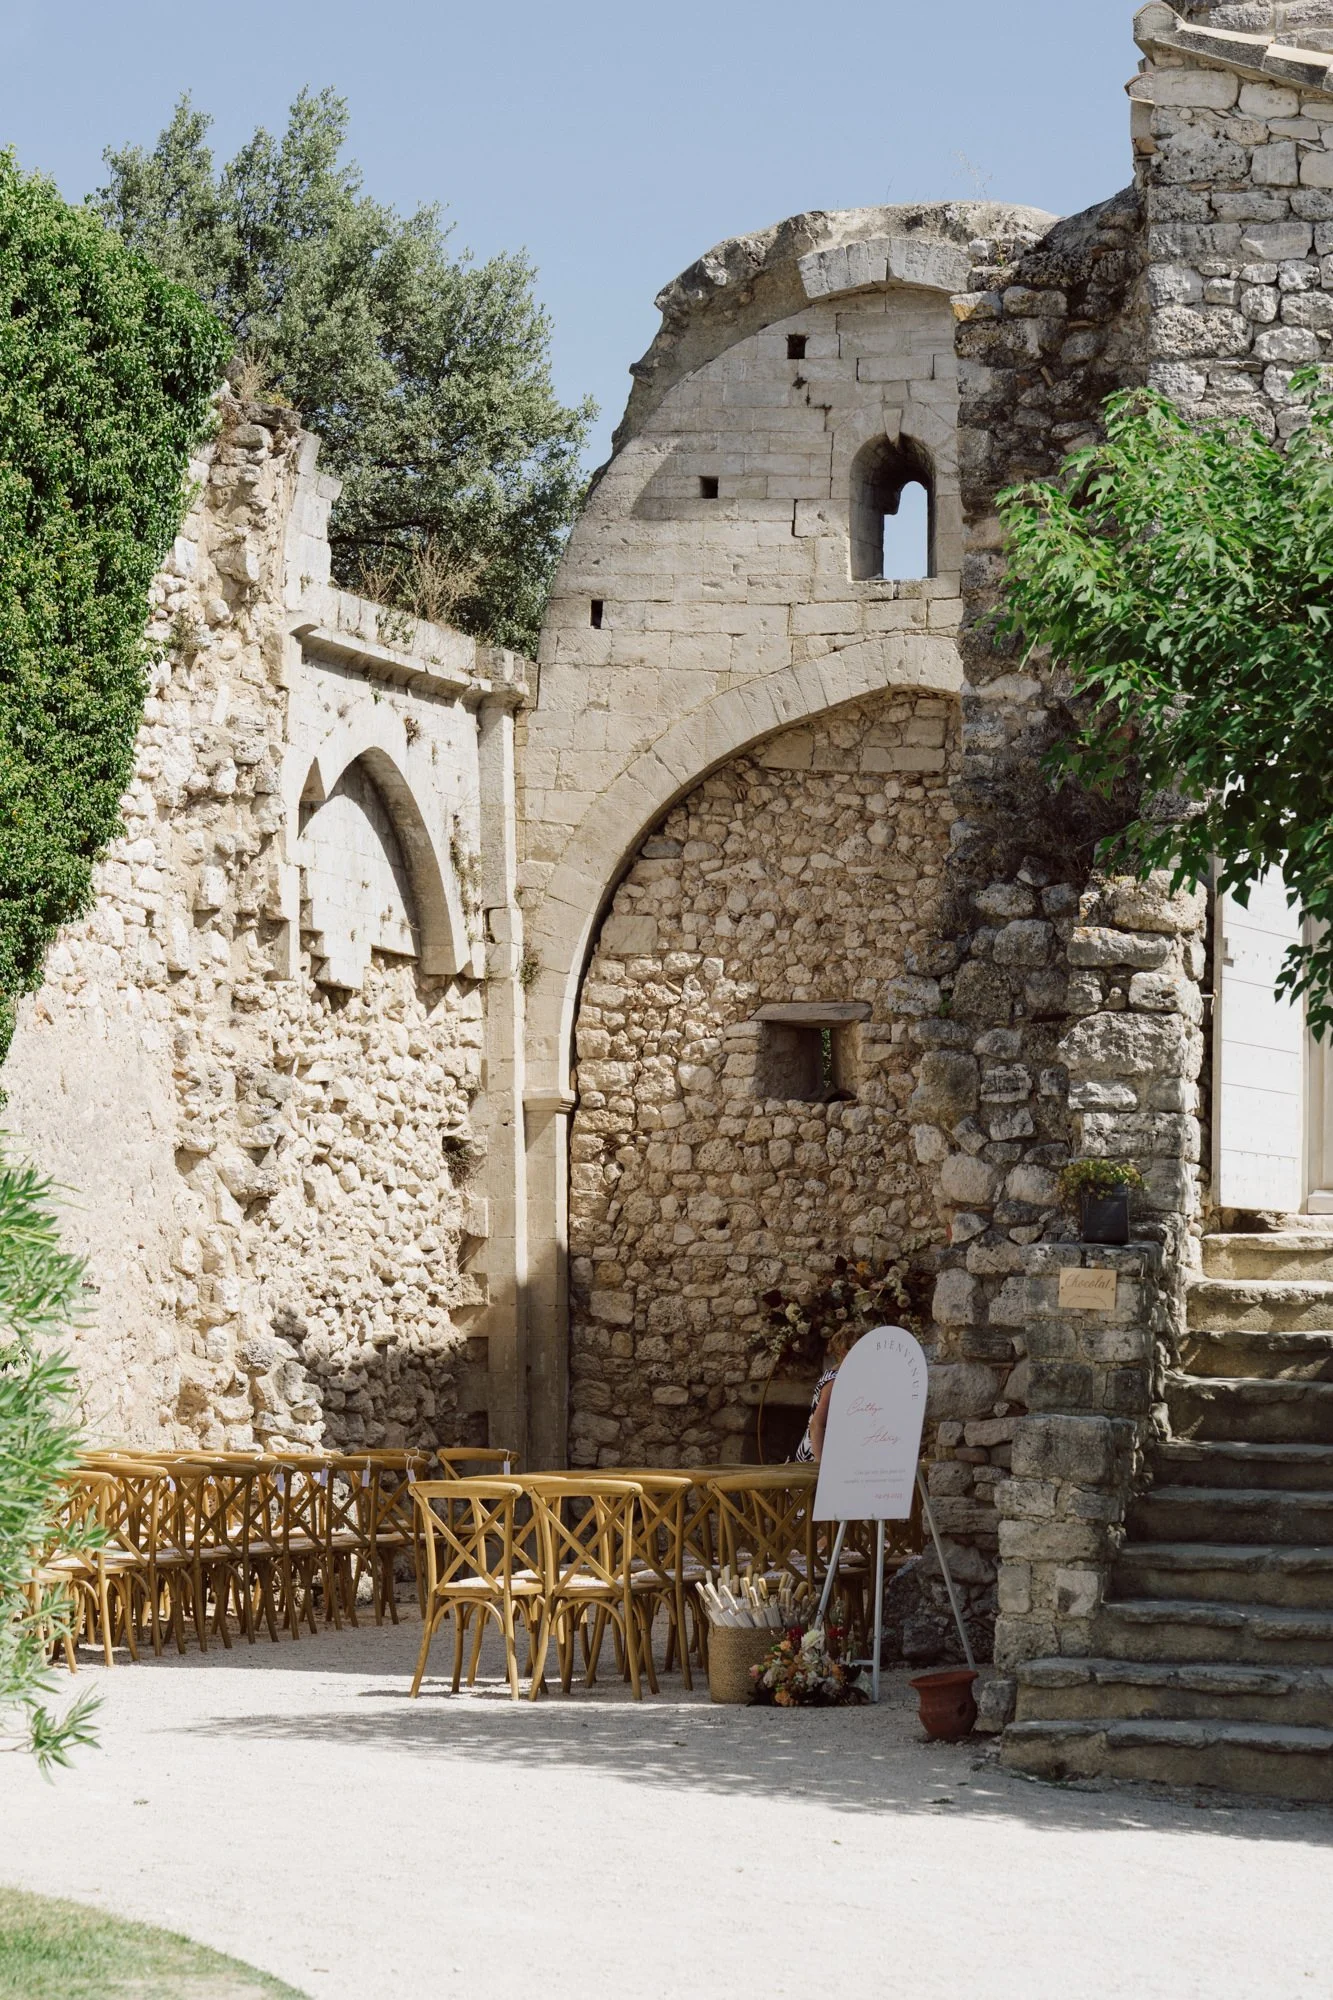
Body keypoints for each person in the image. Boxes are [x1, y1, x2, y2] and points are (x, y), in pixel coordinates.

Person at [793, 1326, 860, 1463]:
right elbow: (817, 1424)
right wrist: (819, 1466)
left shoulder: (848, 1376)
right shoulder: (834, 1380)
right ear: (843, 1352)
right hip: (817, 1452)